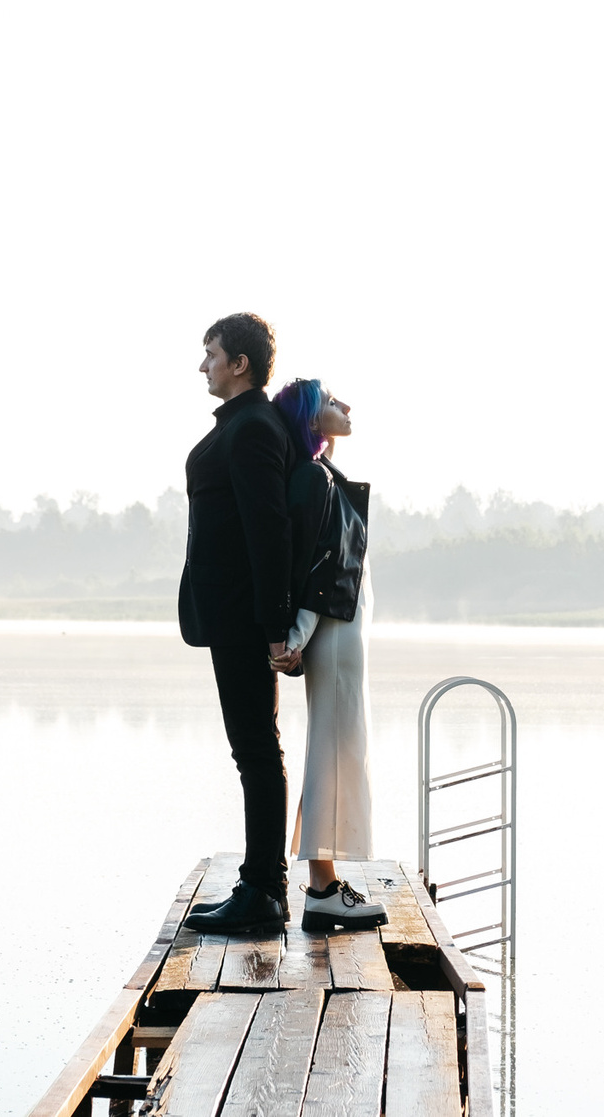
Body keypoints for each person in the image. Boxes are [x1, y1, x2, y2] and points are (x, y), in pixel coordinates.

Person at [176, 313, 299, 937]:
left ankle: (264, 892)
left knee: (255, 748)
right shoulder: (245, 425)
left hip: (245, 618)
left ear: (239, 364)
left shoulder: (251, 428)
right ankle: (261, 884)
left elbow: (267, 530)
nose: (204, 365)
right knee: (254, 748)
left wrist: (275, 627)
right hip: (235, 615)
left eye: (211, 354)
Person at [269, 379, 387, 931]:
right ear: (312, 420)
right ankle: (321, 888)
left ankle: (326, 882)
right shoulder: (315, 479)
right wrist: (296, 635)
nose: (346, 405)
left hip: (343, 629)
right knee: (334, 752)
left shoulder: (321, 473)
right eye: (331, 401)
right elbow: (316, 569)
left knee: (340, 749)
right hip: (335, 630)